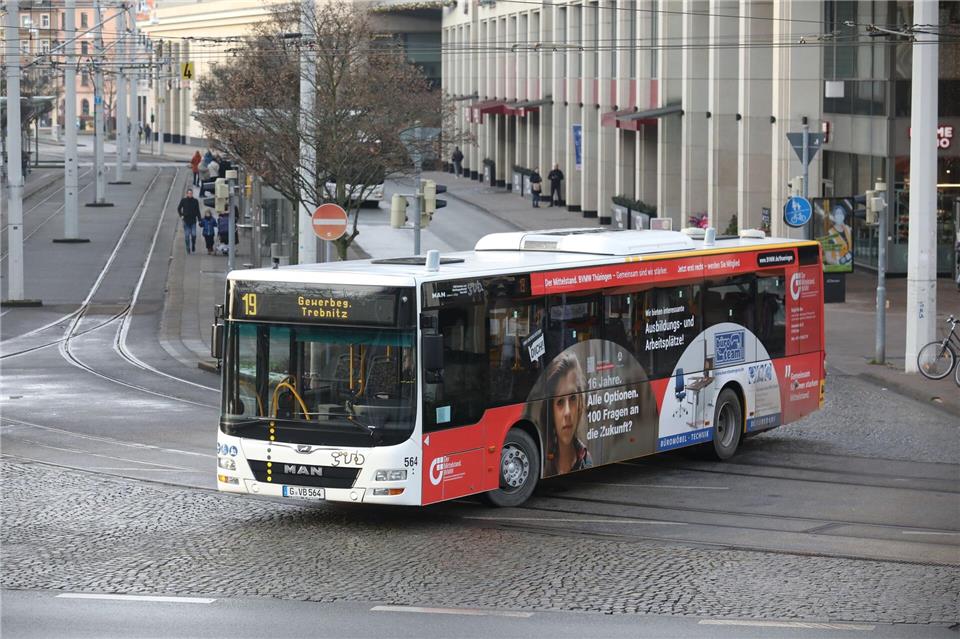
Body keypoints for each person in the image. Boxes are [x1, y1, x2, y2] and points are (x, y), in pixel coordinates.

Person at [541, 352, 592, 476]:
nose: (568, 412)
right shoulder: (542, 464)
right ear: (550, 411)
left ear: (580, 402)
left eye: (573, 398)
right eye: (560, 402)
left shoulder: (586, 459)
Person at [177, 188, 201, 254]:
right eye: (189, 193)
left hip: (193, 220)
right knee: (187, 236)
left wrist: (199, 220)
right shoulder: (183, 200)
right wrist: (181, 215)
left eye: (191, 193)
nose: (190, 194)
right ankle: (188, 247)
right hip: (186, 221)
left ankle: (193, 244)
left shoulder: (195, 201)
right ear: (187, 194)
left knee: (194, 235)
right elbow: (179, 208)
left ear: (192, 194)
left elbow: (197, 211)